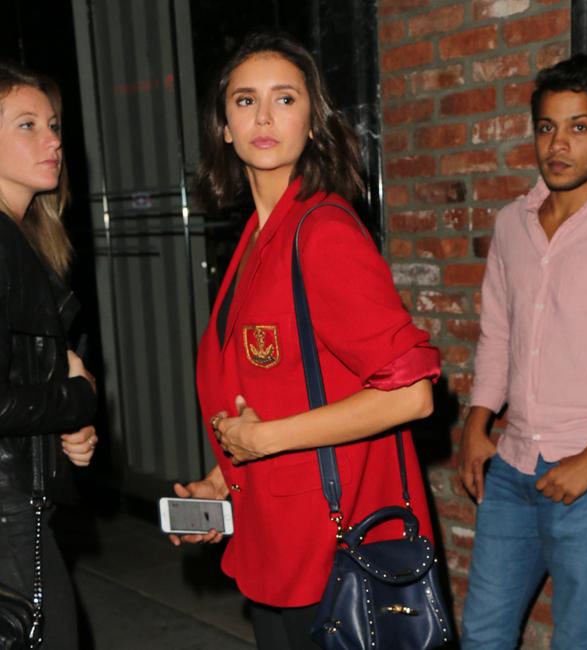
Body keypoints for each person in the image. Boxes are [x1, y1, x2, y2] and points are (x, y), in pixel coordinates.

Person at [171, 32, 441, 649]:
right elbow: (280, 387)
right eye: (245, 101)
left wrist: (264, 440)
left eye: (285, 99)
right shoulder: (255, 237)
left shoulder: (323, 233)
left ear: (313, 122)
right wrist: (221, 480)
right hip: (278, 542)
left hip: (333, 555)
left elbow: (411, 395)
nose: (264, 117)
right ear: (224, 127)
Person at [459, 53, 587, 649]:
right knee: (482, 632)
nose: (558, 144)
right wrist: (476, 424)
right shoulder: (511, 225)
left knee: (579, 637)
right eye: (547, 127)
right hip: (514, 461)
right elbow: (498, 334)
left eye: (579, 127)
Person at [0, 62, 98, 648]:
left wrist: (64, 427)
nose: (53, 140)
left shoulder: (22, 238)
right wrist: (77, 398)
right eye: (27, 124)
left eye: (54, 125)